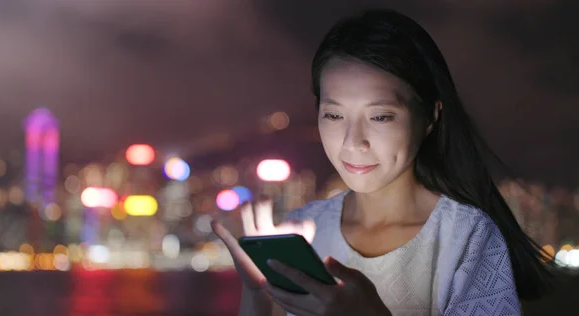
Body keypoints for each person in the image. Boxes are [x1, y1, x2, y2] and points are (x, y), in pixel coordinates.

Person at [212, 8, 552, 316]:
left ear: (431, 117)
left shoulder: (465, 236)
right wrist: (258, 294)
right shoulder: (302, 228)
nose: (352, 141)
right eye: (333, 114)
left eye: (380, 117)